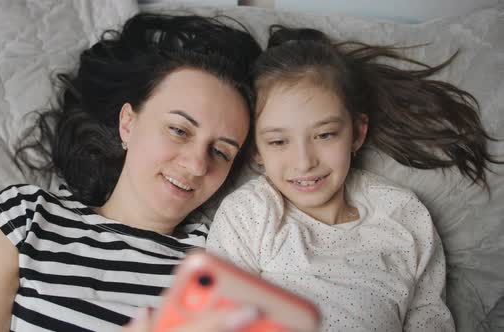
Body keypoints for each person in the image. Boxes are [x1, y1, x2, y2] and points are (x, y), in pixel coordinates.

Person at [0, 13, 263, 332]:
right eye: (179, 130)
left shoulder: (224, 262)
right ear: (128, 123)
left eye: (221, 152)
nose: (196, 165)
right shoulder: (23, 219)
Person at [206, 26, 502, 331]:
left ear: (357, 133)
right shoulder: (249, 214)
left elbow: (429, 318)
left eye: (325, 135)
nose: (305, 162)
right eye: (279, 142)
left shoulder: (403, 214)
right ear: (256, 149)